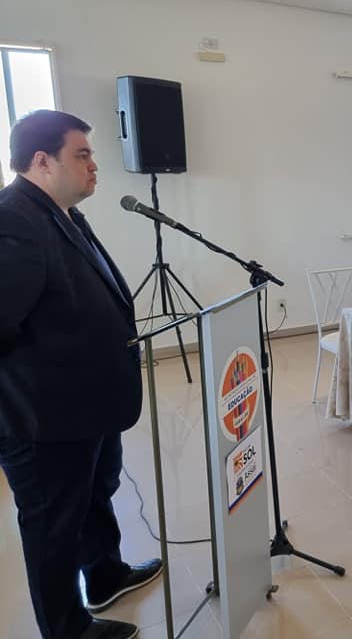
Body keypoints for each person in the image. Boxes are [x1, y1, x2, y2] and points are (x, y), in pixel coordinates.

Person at [0, 111, 162, 639]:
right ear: (42, 161)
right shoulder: (14, 221)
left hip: (87, 404)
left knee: (96, 492)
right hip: (44, 417)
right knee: (52, 525)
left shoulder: (61, 214)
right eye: (83, 154)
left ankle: (106, 573)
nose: (94, 165)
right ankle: (67, 629)